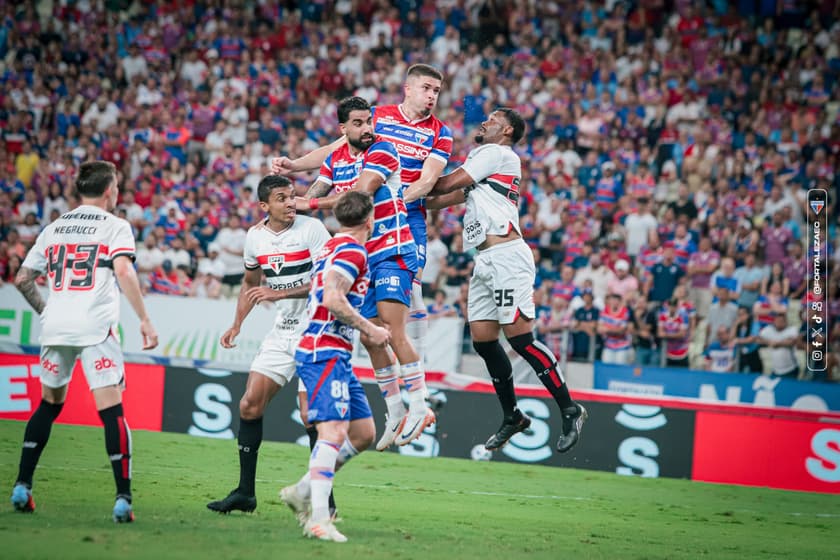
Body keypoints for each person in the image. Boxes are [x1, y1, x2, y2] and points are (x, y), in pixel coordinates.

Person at [422, 108, 587, 453]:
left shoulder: (495, 153)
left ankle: (570, 409)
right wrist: (402, 195)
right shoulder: (484, 169)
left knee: (522, 341)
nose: (483, 122)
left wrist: (413, 178)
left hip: (507, 256)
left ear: (507, 130)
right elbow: (439, 199)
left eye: (492, 119)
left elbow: (448, 183)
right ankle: (512, 415)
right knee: (483, 341)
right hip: (484, 259)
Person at [10, 161, 159, 522]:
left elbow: (23, 278)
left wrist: (47, 311)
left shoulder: (55, 227)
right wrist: (144, 318)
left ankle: (22, 486)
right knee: (111, 411)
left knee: (48, 404)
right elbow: (123, 270)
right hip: (96, 326)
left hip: (56, 325)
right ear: (110, 190)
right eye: (118, 186)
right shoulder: (116, 226)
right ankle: (123, 498)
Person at [274, 64, 453, 362]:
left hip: (407, 217)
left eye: (436, 90)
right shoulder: (376, 117)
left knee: (410, 290)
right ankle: (393, 387)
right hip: (365, 217)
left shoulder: (440, 132)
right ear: (408, 88)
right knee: (371, 305)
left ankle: (423, 374)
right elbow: (336, 149)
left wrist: (394, 200)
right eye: (426, 88)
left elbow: (428, 180)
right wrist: (295, 165)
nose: (432, 95)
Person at [292, 97, 434, 449]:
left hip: (393, 249)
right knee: (371, 338)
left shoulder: (382, 150)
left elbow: (358, 193)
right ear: (343, 129)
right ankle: (396, 409)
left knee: (390, 329)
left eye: (368, 121)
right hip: (364, 258)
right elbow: (315, 192)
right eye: (357, 123)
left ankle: (421, 405)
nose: (367, 128)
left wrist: (306, 204)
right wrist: (291, 209)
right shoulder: (336, 157)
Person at [207, 175, 331, 514]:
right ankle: (245, 493)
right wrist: (236, 324)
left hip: (316, 328)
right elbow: (251, 283)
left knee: (311, 416)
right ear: (264, 206)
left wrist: (277, 293)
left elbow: (326, 282)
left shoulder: (312, 230)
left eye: (292, 196)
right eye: (282, 198)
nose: (291, 202)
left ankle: (324, 502)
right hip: (282, 331)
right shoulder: (254, 238)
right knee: (249, 406)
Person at [279, 191, 390, 543]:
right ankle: (319, 519)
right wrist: (371, 328)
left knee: (363, 433)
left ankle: (300, 491)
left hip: (334, 351)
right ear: (370, 220)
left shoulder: (331, 246)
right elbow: (332, 296)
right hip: (323, 349)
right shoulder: (352, 250)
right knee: (333, 433)